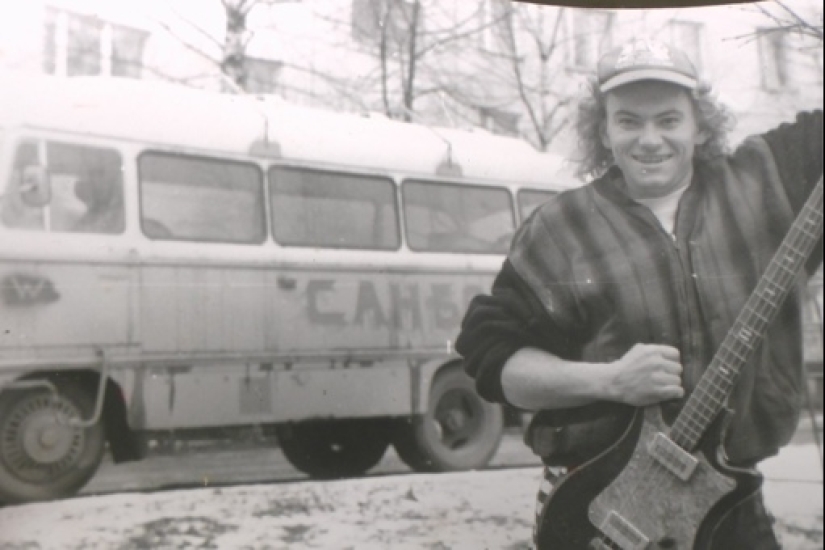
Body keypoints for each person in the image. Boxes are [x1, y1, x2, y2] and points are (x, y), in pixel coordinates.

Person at [455, 37, 822, 549]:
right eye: (628, 121)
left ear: (700, 125)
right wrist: (610, 380)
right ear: (603, 130)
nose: (650, 140)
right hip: (604, 510)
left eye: (669, 120)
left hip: (730, 505)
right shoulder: (560, 230)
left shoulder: (760, 184)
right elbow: (497, 366)